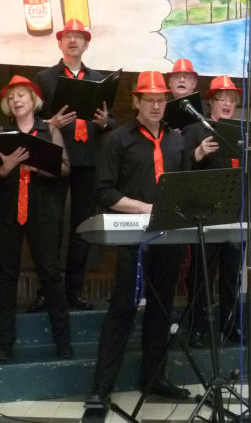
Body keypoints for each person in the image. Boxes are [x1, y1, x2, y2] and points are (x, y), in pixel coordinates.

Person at [87, 71, 190, 406]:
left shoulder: (176, 141)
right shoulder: (118, 139)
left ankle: (155, 377)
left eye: (161, 100)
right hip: (133, 236)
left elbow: (185, 186)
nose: (156, 106)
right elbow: (104, 191)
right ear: (136, 102)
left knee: (162, 308)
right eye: (150, 100)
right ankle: (102, 386)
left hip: (168, 236)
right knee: (124, 306)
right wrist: (144, 207)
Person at [0, 75, 73, 361]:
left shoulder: (50, 130)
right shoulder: (1, 132)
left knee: (50, 273)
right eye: (11, 97)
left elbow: (65, 168)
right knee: (6, 275)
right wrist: (5, 169)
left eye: (21, 95)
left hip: (43, 211)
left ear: (33, 99)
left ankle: (63, 342)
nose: (16, 101)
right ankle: (5, 344)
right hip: (7, 212)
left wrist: (38, 166)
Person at [34, 19, 114, 311]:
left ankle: (74, 291)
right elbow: (30, 119)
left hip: (88, 160)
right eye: (68, 36)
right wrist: (49, 123)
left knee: (82, 227)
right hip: (56, 158)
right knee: (51, 227)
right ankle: (47, 291)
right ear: (60, 42)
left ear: (86, 44)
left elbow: (110, 122)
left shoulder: (99, 79)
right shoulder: (44, 78)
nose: (73, 41)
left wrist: (106, 123)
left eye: (79, 36)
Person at [182, 75, 243, 348]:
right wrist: (197, 153)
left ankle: (231, 327)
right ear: (211, 102)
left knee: (232, 275)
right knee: (201, 275)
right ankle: (197, 328)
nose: (227, 103)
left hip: (234, 213)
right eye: (222, 98)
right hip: (204, 214)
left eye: (232, 99)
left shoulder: (242, 132)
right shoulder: (195, 130)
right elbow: (178, 168)